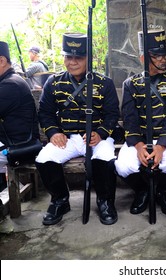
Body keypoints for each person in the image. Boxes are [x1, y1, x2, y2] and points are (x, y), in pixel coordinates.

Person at [35, 33, 120, 226]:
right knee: (44, 159)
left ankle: (105, 202)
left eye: (78, 58)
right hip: (67, 138)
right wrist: (53, 132)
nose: (72, 62)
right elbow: (45, 112)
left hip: (97, 137)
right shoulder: (54, 82)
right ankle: (60, 200)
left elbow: (112, 114)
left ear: (88, 59)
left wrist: (101, 133)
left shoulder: (104, 83)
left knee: (105, 159)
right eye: (68, 57)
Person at [115, 28, 166, 217]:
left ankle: (164, 192)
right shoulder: (131, 84)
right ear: (144, 58)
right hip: (141, 140)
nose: (163, 59)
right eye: (157, 55)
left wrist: (161, 147)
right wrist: (138, 147)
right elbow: (130, 119)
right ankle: (142, 191)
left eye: (164, 55)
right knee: (123, 166)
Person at [0, 41, 40, 192]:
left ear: (2, 61)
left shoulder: (10, 85)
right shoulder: (10, 81)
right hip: (12, 141)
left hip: (20, 147)